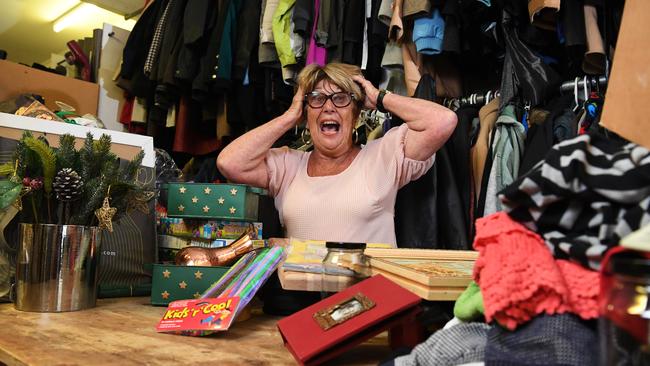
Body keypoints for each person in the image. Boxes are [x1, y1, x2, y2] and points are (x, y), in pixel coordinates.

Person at [217, 63, 457, 246]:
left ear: (355, 115)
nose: (329, 107)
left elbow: (443, 121)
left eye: (341, 98)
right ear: (306, 113)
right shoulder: (288, 166)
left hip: (369, 302)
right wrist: (289, 116)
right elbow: (229, 162)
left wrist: (379, 98)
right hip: (301, 300)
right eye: (317, 99)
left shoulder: (383, 156)